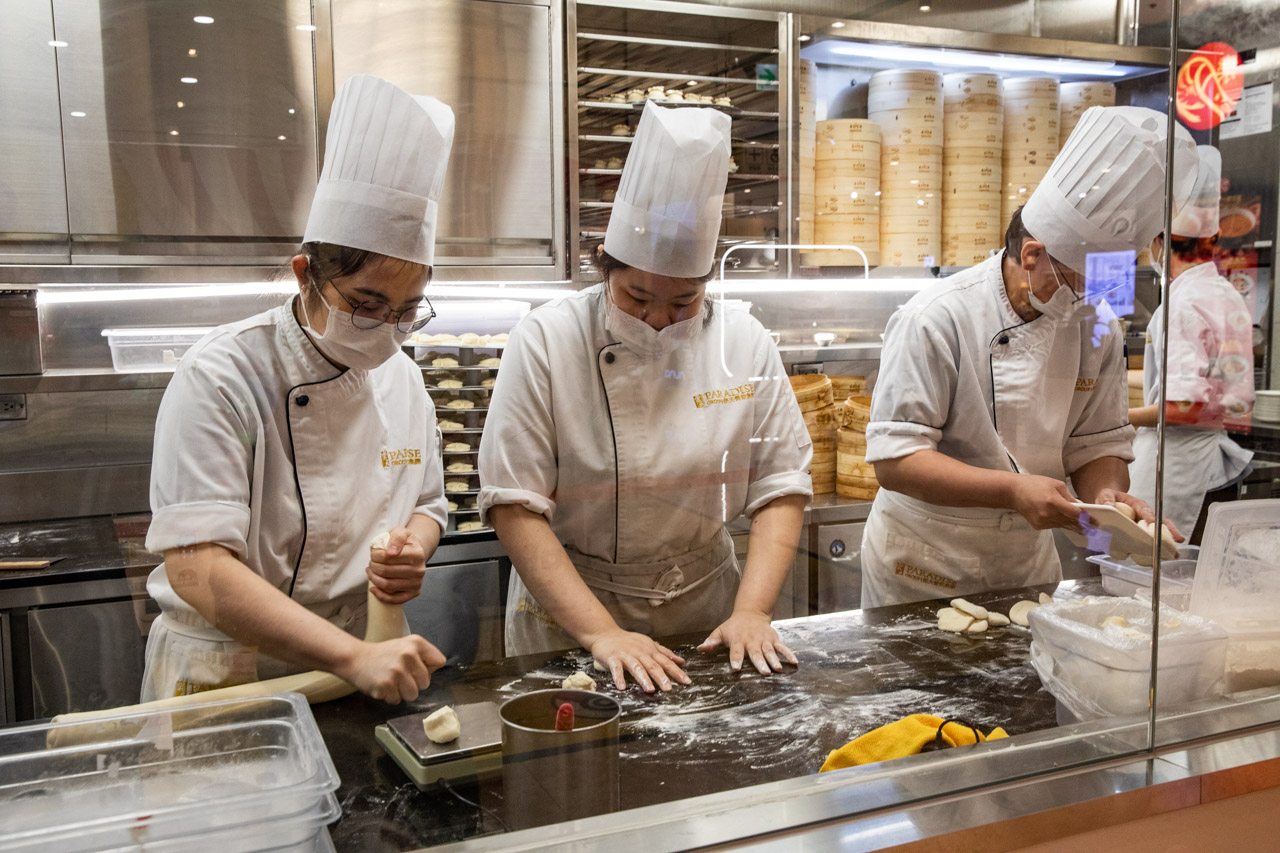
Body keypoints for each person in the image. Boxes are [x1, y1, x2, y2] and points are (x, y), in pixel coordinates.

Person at [479, 101, 813, 692]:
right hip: (570, 619)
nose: (659, 319)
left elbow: (780, 485)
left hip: (707, 616)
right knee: (569, 776)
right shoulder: (548, 340)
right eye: (636, 298)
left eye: (683, 302)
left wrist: (753, 612)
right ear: (604, 268)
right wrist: (602, 634)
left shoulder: (743, 338)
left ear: (707, 283)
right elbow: (514, 503)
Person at [140, 75, 454, 704]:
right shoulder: (223, 375)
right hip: (226, 674)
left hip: (359, 660)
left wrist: (411, 549)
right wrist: (353, 657)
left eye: (407, 309)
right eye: (368, 304)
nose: (387, 330)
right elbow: (196, 570)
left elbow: (427, 502)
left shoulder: (403, 374)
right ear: (306, 274)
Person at [860, 106, 1198, 608]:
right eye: (1078, 280)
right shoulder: (937, 317)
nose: (1090, 298)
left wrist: (1105, 499)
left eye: (1103, 283)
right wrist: (1012, 492)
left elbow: (1096, 441)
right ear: (1033, 254)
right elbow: (896, 461)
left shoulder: (1096, 324)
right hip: (926, 560)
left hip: (1026, 561)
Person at [1129, 145, 1254, 542]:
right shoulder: (1224, 292)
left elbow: (1185, 406)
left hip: (1178, 465)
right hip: (1207, 457)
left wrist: (1120, 418)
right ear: (1213, 239)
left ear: (1161, 242)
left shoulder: (1182, 303)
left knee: (1152, 575)